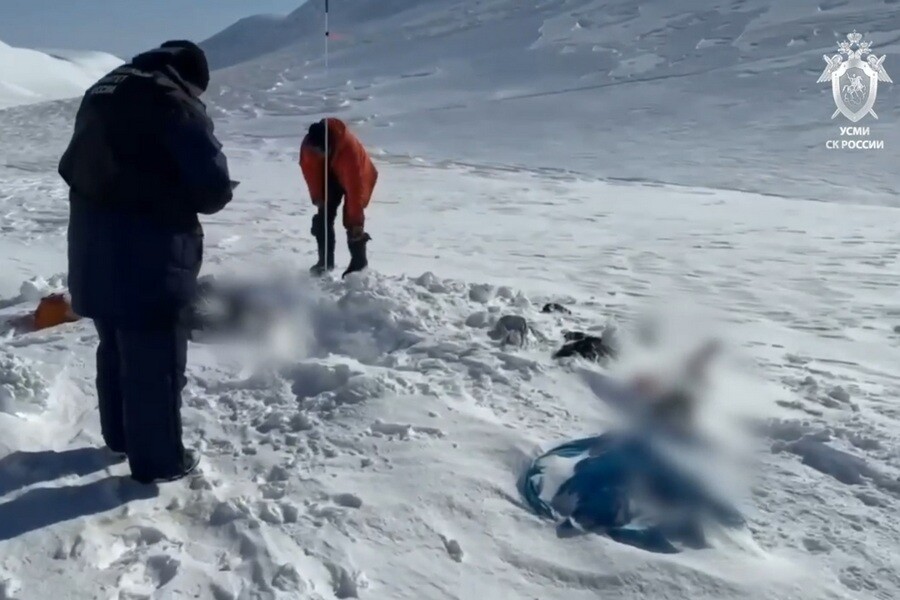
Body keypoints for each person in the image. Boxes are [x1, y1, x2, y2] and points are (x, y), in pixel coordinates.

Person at [58, 41, 235, 484]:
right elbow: (213, 188)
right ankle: (159, 462)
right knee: (155, 360)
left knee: (115, 346)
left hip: (93, 246)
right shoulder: (171, 102)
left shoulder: (105, 88)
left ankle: (121, 438)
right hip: (151, 254)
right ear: (190, 80)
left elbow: (75, 165)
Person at [299, 117, 378, 277]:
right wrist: (319, 200)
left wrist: (356, 223)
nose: (320, 153)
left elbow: (355, 191)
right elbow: (312, 176)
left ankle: (358, 263)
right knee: (323, 218)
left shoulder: (348, 151)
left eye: (323, 150)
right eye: (318, 151)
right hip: (329, 174)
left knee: (352, 220)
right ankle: (325, 262)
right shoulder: (309, 148)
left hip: (357, 175)